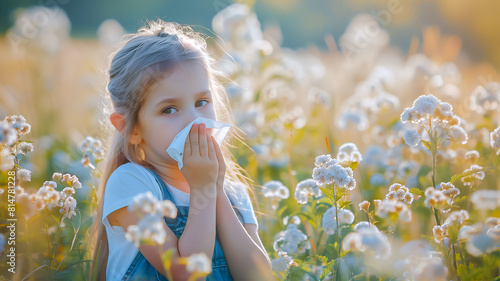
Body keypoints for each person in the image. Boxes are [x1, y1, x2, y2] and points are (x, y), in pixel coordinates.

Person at [88, 20, 272, 281]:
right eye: (169, 109)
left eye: (201, 102)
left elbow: (257, 276)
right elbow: (185, 274)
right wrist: (204, 190)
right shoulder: (132, 185)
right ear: (132, 129)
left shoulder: (233, 193)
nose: (194, 120)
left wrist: (215, 189)